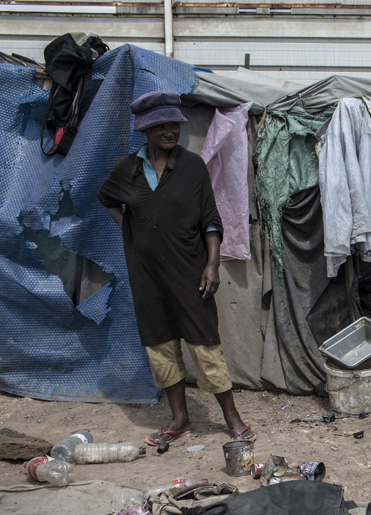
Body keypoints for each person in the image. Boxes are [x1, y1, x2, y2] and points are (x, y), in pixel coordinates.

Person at [98, 91, 254, 450]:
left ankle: (232, 418)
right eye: (162, 125)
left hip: (189, 271)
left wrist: (212, 265)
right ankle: (180, 419)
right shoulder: (127, 169)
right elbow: (106, 198)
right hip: (146, 275)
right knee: (160, 345)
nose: (170, 131)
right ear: (146, 129)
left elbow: (211, 221)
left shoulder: (192, 166)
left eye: (174, 124)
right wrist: (130, 230)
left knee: (205, 345)